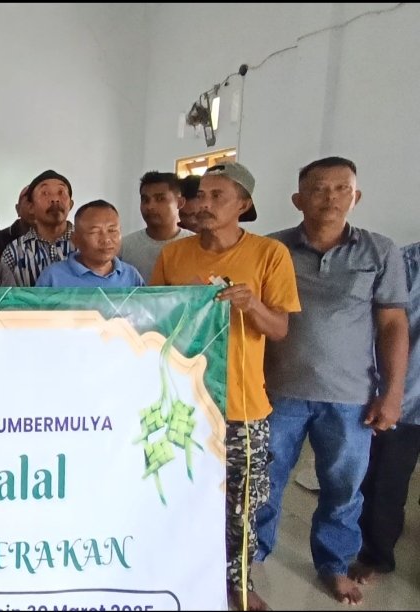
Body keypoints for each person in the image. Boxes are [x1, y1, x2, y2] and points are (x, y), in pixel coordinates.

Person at [254, 157, 408, 605]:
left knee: (343, 490)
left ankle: (334, 565)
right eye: (319, 189)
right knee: (263, 485)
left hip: (350, 397)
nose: (331, 198)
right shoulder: (272, 249)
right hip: (277, 392)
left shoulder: (379, 251)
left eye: (342, 189)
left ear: (356, 197)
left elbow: (393, 325)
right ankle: (250, 561)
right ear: (297, 199)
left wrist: (392, 393)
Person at [150, 161, 300, 612]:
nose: (205, 203)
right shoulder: (174, 256)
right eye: (201, 194)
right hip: (184, 402)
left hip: (241, 406)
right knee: (176, 493)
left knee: (241, 506)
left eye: (218, 196)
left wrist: (251, 304)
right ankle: (176, 576)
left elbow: (279, 329)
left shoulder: (270, 254)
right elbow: (154, 323)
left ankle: (238, 583)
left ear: (244, 204)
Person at [353, 240, 420, 585]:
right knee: (384, 483)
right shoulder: (405, 262)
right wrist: (387, 392)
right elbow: (383, 326)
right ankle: (376, 556)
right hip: (406, 396)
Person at [37, 200, 144, 288]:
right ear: (75, 239)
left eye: (112, 230)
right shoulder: (53, 277)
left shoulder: (131, 275)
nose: (106, 239)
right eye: (95, 232)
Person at [1, 169, 76, 287]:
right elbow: (5, 296)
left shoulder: (87, 243)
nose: (55, 199)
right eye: (45, 193)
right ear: (31, 207)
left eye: (61, 192)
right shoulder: (14, 252)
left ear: (70, 205)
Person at [121, 172, 194, 280]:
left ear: (180, 202)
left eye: (160, 199)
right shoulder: (124, 247)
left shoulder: (196, 245)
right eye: (145, 200)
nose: (150, 206)